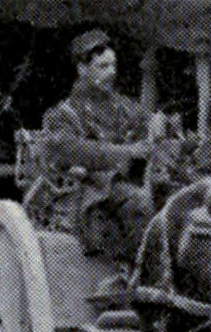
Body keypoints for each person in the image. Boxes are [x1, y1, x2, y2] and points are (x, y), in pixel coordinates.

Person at [32, 28, 166, 265]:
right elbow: (75, 150)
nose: (111, 73)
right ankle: (145, 274)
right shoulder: (63, 114)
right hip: (85, 192)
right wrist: (128, 151)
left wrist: (158, 123)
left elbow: (144, 121)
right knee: (138, 202)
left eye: (113, 66)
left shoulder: (122, 106)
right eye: (103, 67)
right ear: (82, 69)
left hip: (116, 185)